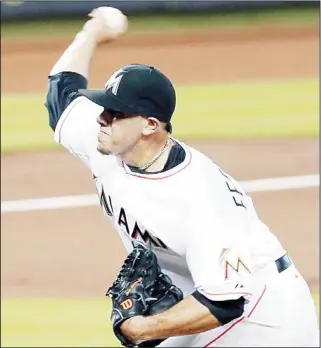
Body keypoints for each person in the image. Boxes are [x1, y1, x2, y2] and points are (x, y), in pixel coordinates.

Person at [45, 7, 319, 347]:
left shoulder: (201, 198)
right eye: (103, 107)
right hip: (201, 298)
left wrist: (139, 330)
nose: (101, 118)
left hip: (265, 318)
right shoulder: (109, 139)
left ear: (149, 125)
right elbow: (61, 96)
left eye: (115, 113)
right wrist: (91, 34)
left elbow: (226, 302)